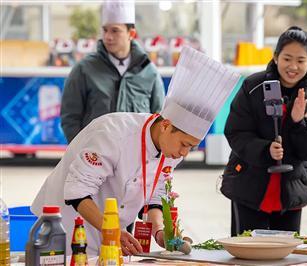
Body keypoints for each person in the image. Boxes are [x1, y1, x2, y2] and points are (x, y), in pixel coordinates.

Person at [31, 46, 242, 255]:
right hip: (65, 228)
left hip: (111, 232)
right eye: (185, 145)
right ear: (166, 125)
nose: (184, 154)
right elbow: (77, 192)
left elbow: (156, 191)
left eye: (192, 146)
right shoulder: (113, 134)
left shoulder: (170, 147)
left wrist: (160, 231)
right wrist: (112, 230)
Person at [221, 26, 307, 236]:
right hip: (249, 187)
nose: (293, 66)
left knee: (285, 255)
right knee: (249, 254)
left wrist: (300, 123)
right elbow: (235, 131)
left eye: (300, 60)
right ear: (275, 57)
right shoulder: (253, 86)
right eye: (287, 58)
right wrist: (265, 150)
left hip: (291, 192)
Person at [61, 0, 165, 144]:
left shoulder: (149, 72)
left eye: (115, 30)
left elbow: (159, 119)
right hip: (95, 157)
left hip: (136, 157)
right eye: (105, 30)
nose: (108, 37)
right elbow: (70, 117)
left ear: (131, 33)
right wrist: (81, 150)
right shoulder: (84, 70)